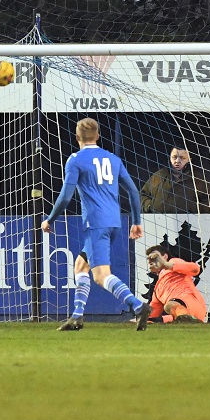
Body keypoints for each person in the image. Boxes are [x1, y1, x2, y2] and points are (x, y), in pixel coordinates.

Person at [41, 118, 152, 331]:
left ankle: (138, 306)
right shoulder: (113, 158)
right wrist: (136, 221)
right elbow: (133, 191)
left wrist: (50, 220)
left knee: (101, 276)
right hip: (115, 222)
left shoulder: (75, 160)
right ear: (98, 136)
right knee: (81, 265)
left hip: (96, 223)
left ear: (76, 138)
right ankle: (77, 316)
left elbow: (65, 197)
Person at [140, 145, 210, 213]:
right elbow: (143, 195)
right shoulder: (158, 176)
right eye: (174, 157)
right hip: (160, 223)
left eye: (182, 158)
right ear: (170, 157)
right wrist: (149, 206)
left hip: (188, 224)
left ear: (189, 159)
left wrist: (194, 208)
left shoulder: (198, 180)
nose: (177, 161)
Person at [143, 244, 206, 324]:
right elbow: (153, 312)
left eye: (155, 257)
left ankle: (186, 317)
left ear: (165, 257)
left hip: (192, 303)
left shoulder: (174, 262)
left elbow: (195, 269)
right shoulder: (157, 290)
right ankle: (186, 318)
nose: (151, 261)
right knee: (159, 320)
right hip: (181, 311)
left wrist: (165, 264)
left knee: (169, 306)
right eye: (149, 259)